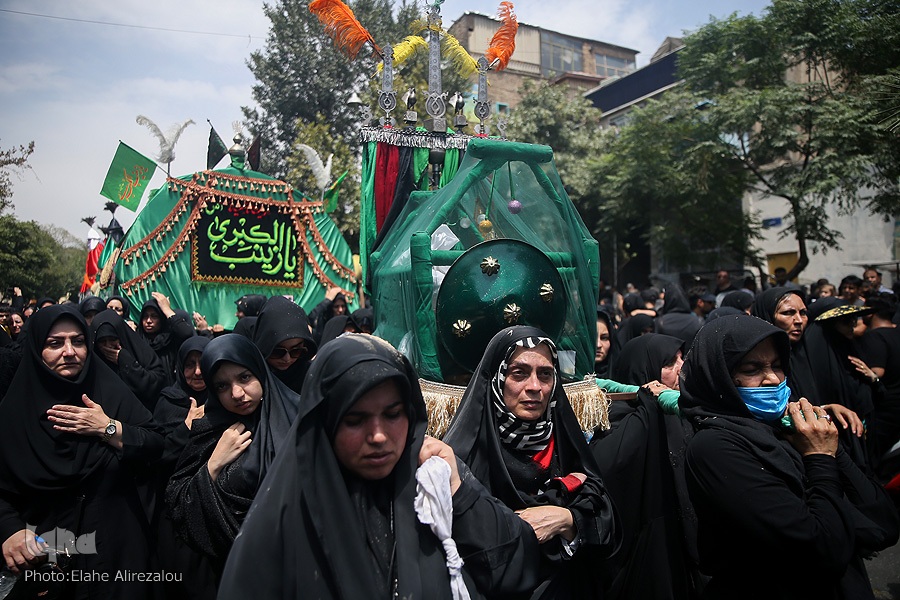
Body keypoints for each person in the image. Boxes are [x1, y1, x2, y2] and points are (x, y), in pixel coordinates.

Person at [218, 334, 541, 600]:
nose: (378, 436)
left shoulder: (431, 489)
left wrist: (460, 494)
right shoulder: (284, 524)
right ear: (325, 423)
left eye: (392, 414)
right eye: (355, 419)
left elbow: (516, 568)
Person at [679, 315, 899, 599]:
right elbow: (820, 549)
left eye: (778, 365)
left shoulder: (792, 432)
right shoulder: (716, 447)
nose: (772, 378)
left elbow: (883, 523)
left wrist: (830, 446)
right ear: (719, 376)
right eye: (752, 369)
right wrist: (819, 458)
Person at [443, 326, 621, 599]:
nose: (535, 387)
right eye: (519, 374)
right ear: (497, 379)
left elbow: (606, 523)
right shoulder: (464, 458)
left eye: (545, 374)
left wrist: (567, 520)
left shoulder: (565, 442)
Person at [0, 305, 164, 599]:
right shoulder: (14, 413)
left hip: (118, 559)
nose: (69, 352)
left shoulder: (108, 391)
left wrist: (106, 428)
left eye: (78, 341)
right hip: (49, 562)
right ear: (37, 349)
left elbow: (155, 443)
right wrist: (10, 530)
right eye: (55, 343)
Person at [165, 334, 303, 575]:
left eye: (244, 377)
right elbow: (177, 503)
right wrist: (213, 465)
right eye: (222, 386)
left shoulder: (301, 420)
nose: (237, 393)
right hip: (237, 571)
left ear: (259, 371)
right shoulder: (209, 430)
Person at [591, 333, 701, 600]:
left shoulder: (684, 413)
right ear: (643, 369)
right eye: (669, 363)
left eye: (681, 358)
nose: (681, 368)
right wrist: (646, 411)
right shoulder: (619, 420)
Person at [152, 336, 217, 600]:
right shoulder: (169, 401)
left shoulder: (226, 398)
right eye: (190, 364)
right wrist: (187, 427)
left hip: (217, 510)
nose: (198, 372)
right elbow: (158, 456)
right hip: (178, 513)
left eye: (203, 363)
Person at [90, 309, 167, 411]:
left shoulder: (141, 353)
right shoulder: (91, 363)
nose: (108, 346)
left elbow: (155, 385)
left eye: (112, 339)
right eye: (102, 341)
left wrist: (126, 362)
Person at [251, 296, 317, 394]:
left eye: (296, 351)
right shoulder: (249, 374)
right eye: (278, 352)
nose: (287, 359)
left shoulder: (312, 377)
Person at [137, 292, 195, 385]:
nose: (148, 321)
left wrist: (166, 309)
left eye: (154, 316)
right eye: (145, 316)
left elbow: (186, 333)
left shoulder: (170, 339)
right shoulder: (137, 340)